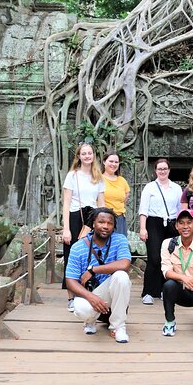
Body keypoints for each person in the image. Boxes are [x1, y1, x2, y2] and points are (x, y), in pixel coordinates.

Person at [64, 207, 132, 343]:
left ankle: (118, 327)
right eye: (101, 222)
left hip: (111, 295)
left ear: (114, 226)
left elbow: (125, 264)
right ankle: (90, 321)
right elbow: (70, 280)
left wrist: (93, 270)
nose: (105, 226)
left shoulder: (120, 240)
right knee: (80, 307)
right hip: (90, 295)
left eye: (110, 223)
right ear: (94, 223)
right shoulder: (78, 247)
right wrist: (91, 297)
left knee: (121, 276)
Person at [62, 143, 105, 311]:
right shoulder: (72, 175)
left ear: (94, 155)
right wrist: (66, 228)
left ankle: (90, 291)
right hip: (75, 217)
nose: (87, 156)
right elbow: (66, 203)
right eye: (84, 153)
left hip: (92, 218)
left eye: (90, 153)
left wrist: (104, 222)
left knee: (91, 254)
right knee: (72, 254)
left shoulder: (98, 177)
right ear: (79, 156)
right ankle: (71, 297)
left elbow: (101, 203)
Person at [138, 158, 182, 305]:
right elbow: (143, 210)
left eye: (165, 168)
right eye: (159, 169)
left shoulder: (176, 188)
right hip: (154, 223)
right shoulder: (149, 187)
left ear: (169, 170)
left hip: (171, 224)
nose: (162, 171)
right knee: (154, 257)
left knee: (169, 258)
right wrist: (143, 228)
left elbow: (180, 209)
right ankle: (149, 291)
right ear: (155, 171)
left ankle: (165, 290)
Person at [102, 151, 130, 236]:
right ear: (104, 162)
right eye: (111, 161)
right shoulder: (98, 179)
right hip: (104, 219)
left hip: (120, 219)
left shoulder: (122, 180)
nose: (113, 164)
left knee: (120, 246)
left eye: (116, 162)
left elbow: (126, 195)